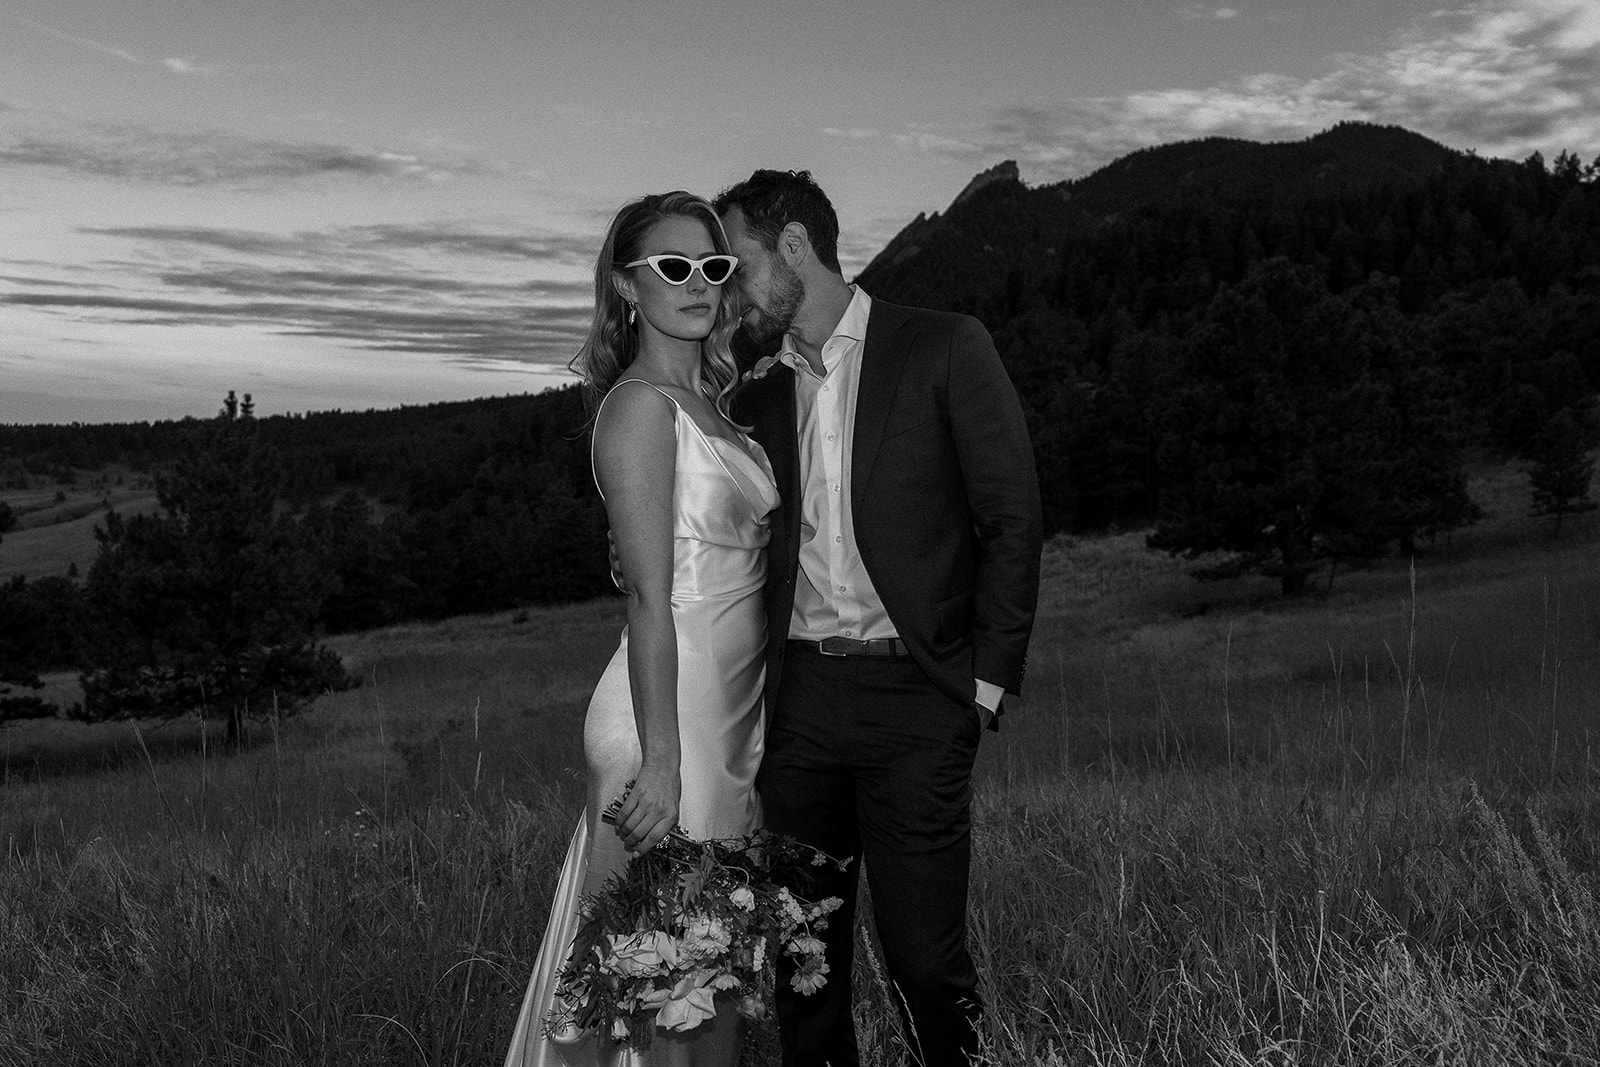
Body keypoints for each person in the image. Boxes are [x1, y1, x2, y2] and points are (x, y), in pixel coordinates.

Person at [713, 169, 1042, 1067]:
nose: (727, 288)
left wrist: (982, 685)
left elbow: (1012, 516)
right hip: (801, 704)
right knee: (804, 962)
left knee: (925, 963)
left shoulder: (940, 346)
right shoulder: (755, 393)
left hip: (919, 699)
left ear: (792, 248)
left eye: (735, 262)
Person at [501, 191, 776, 1067]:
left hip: (727, 720)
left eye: (713, 266)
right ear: (628, 286)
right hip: (665, 723)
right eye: (672, 267)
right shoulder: (638, 409)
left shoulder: (719, 409)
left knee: (711, 990)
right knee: (655, 1004)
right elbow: (650, 598)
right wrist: (660, 757)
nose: (697, 283)